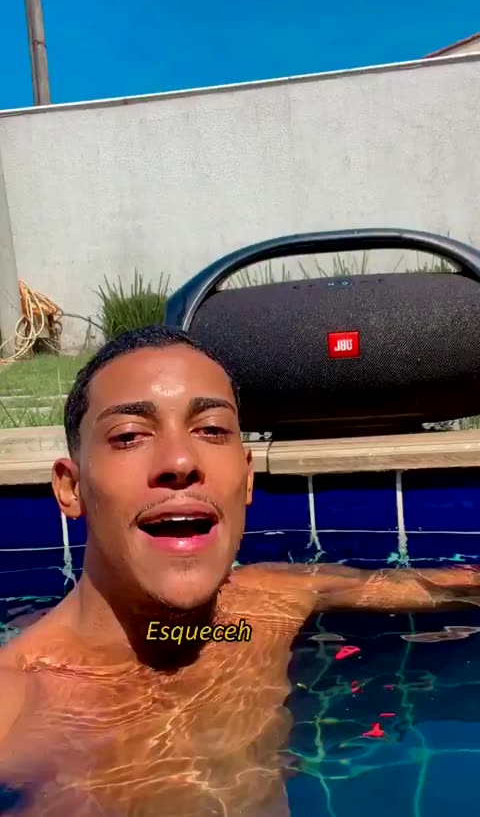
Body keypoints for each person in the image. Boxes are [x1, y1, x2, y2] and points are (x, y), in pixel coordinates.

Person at [0, 325, 479, 816]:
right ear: (71, 487)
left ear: (247, 477)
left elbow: (448, 588)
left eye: (211, 430)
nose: (181, 460)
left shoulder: (272, 602)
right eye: (129, 435)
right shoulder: (16, 703)